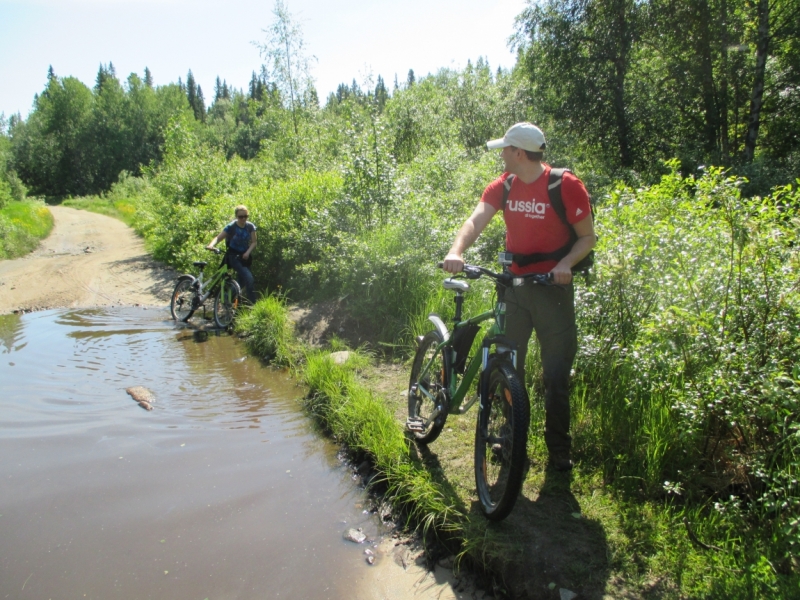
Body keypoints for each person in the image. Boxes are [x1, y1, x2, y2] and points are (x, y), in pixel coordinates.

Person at [442, 123, 595, 472]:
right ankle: (510, 436)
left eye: (505, 149)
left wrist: (566, 264)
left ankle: (559, 450)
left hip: (552, 291)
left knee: (556, 374)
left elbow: (587, 237)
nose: (502, 155)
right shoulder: (505, 184)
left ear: (520, 153)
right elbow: (476, 219)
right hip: (513, 287)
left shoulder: (564, 185)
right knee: (508, 367)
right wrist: (457, 250)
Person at [206, 205, 257, 305]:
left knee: (241, 281)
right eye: (240, 217)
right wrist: (211, 245)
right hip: (233, 256)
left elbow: (254, 242)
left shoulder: (250, 227)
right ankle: (253, 305)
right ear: (236, 216)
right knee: (249, 278)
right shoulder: (231, 226)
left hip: (245, 257)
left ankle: (226, 297)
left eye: (245, 216)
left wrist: (247, 252)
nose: (243, 219)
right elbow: (218, 238)